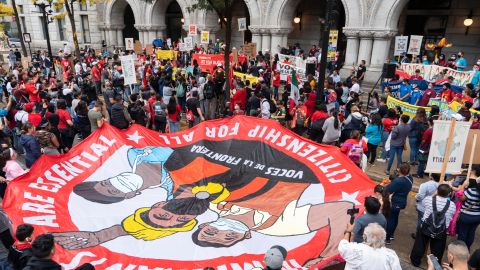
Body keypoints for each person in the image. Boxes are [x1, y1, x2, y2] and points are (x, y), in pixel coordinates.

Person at [410, 184, 456, 266]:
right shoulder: (452, 205)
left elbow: (423, 205)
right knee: (437, 250)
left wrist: (434, 194)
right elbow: (451, 216)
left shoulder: (428, 199)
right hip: (441, 230)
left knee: (420, 244)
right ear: (449, 194)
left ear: (437, 191)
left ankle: (415, 261)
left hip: (426, 226)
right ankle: (434, 265)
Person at [385, 163, 413, 243]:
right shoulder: (410, 178)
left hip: (395, 202)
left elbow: (388, 189)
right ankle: (391, 235)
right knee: (395, 217)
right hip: (402, 201)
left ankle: (387, 238)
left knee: (390, 219)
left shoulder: (398, 181)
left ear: (400, 170)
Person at [456, 176, 480, 249]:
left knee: (462, 233)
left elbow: (461, 198)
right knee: (471, 232)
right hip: (478, 216)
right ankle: (467, 248)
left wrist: (463, 187)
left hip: (466, 215)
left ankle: (461, 250)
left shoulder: (471, 190)